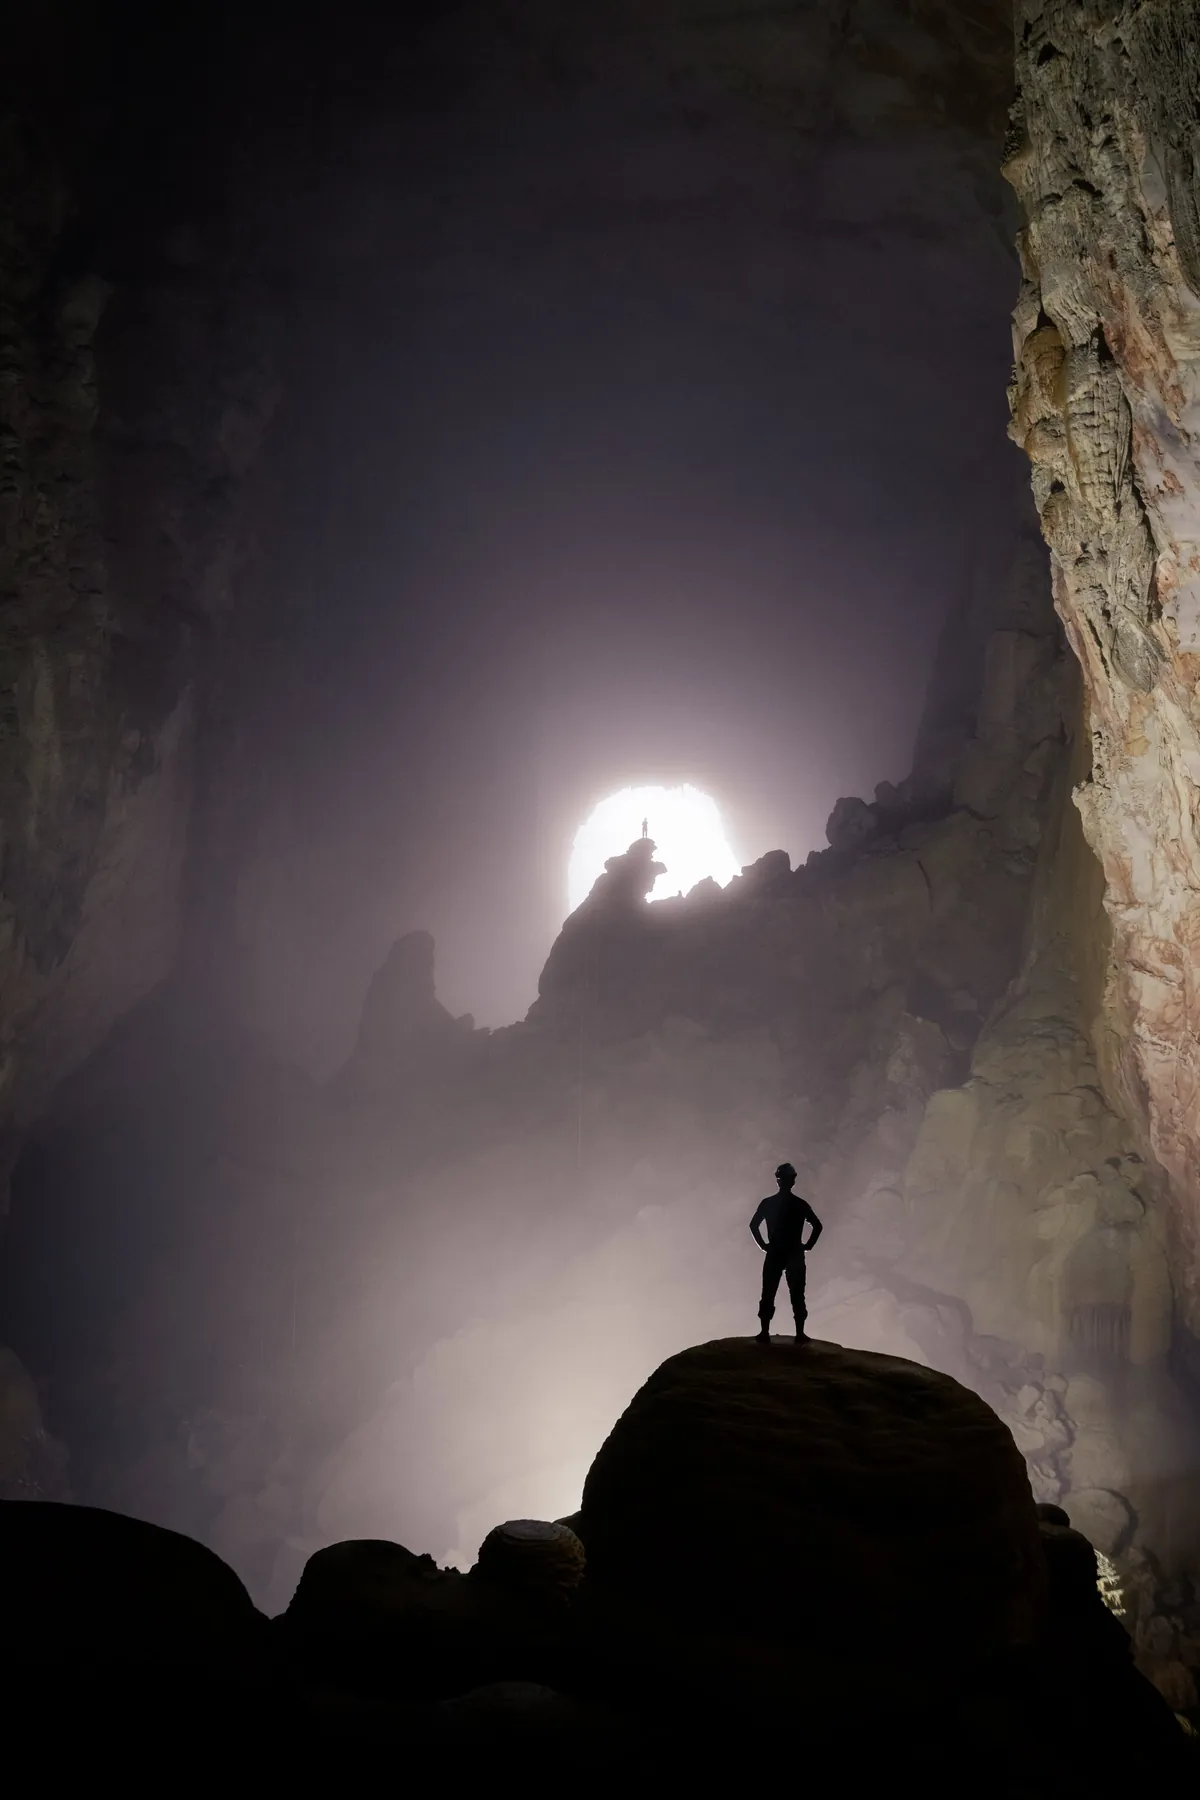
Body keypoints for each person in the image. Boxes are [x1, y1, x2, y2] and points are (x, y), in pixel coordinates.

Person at [749, 1163, 822, 1342]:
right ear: (793, 1181)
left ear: (778, 1180)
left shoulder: (768, 1204)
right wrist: (808, 1245)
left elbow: (753, 1225)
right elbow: (817, 1226)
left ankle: (764, 1333)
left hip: (775, 1252)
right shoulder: (800, 1205)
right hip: (794, 1253)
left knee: (768, 1293)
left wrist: (763, 1245)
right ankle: (799, 1334)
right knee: (797, 1294)